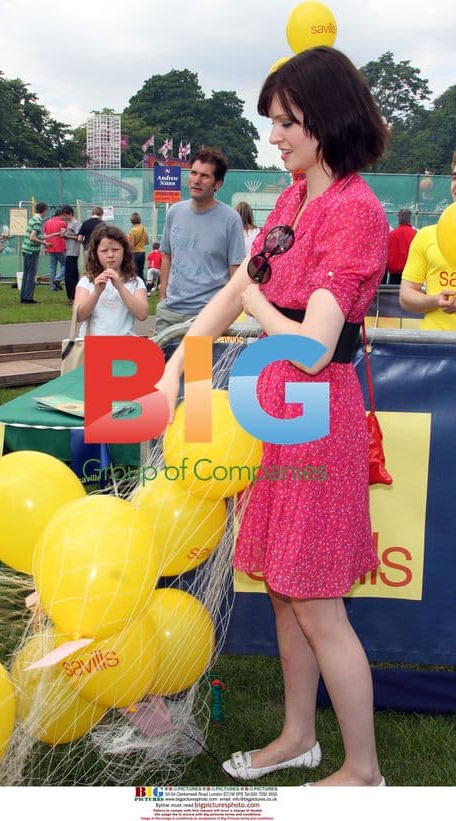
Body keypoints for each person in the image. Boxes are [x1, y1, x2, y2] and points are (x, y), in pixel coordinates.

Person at [156, 47, 389, 787]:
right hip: (275, 410)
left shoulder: (356, 211)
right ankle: (298, 736)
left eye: (286, 122)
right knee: (288, 592)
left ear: (325, 120)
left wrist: (255, 300)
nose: (275, 136)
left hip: (316, 413)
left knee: (319, 604)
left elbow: (314, 345)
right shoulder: (291, 201)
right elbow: (232, 292)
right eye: (274, 122)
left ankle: (364, 771)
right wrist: (172, 370)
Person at [155, 147, 246, 335]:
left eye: (205, 176)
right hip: (169, 314)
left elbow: (235, 271)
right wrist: (163, 297)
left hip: (204, 316)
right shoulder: (174, 212)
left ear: (217, 184)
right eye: (193, 173)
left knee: (197, 365)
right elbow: (167, 257)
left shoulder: (230, 219)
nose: (196, 180)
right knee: (164, 364)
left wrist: (224, 312)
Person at [399, 162, 456, 329]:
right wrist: (436, 300)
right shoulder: (426, 235)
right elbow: (405, 297)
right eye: (454, 177)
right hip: (433, 346)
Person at [74, 224, 148, 336]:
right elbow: (78, 316)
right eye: (104, 251)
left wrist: (120, 287)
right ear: (96, 254)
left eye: (115, 249)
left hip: (124, 347)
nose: (110, 255)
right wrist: (96, 292)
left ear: (124, 251)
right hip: (93, 346)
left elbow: (142, 314)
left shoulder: (135, 282)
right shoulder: (87, 281)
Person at [20, 202, 56, 304]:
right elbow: (33, 237)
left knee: (26, 274)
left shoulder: (32, 219)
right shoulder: (38, 221)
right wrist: (44, 244)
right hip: (32, 251)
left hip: (25, 249)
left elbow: (39, 235)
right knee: (31, 275)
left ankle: (23, 296)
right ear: (44, 210)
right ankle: (28, 298)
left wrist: (54, 234)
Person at [386, 208, 416, 285]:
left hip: (394, 275)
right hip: (410, 275)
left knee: (391, 295)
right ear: (410, 219)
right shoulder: (416, 235)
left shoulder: (391, 235)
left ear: (399, 219)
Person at [59, 205, 82, 304]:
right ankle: (70, 296)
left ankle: (73, 296)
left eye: (65, 215)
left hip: (73, 252)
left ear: (71, 214)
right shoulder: (68, 224)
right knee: (68, 276)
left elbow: (78, 237)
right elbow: (69, 237)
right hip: (68, 251)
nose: (64, 217)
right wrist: (64, 236)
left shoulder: (76, 223)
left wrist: (67, 235)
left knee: (71, 275)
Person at [43, 209, 67, 290]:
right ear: (61, 215)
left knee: (52, 267)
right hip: (60, 247)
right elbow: (64, 234)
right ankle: (58, 279)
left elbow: (45, 235)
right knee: (65, 264)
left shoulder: (47, 222)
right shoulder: (63, 223)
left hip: (50, 247)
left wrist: (45, 247)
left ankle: (53, 287)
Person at [127, 212, 149, 280]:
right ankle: (143, 287)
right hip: (142, 253)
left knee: (134, 272)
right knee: (140, 272)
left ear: (132, 221)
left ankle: (135, 288)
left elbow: (132, 245)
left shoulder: (132, 231)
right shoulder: (144, 229)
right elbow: (147, 242)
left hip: (135, 253)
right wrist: (141, 244)